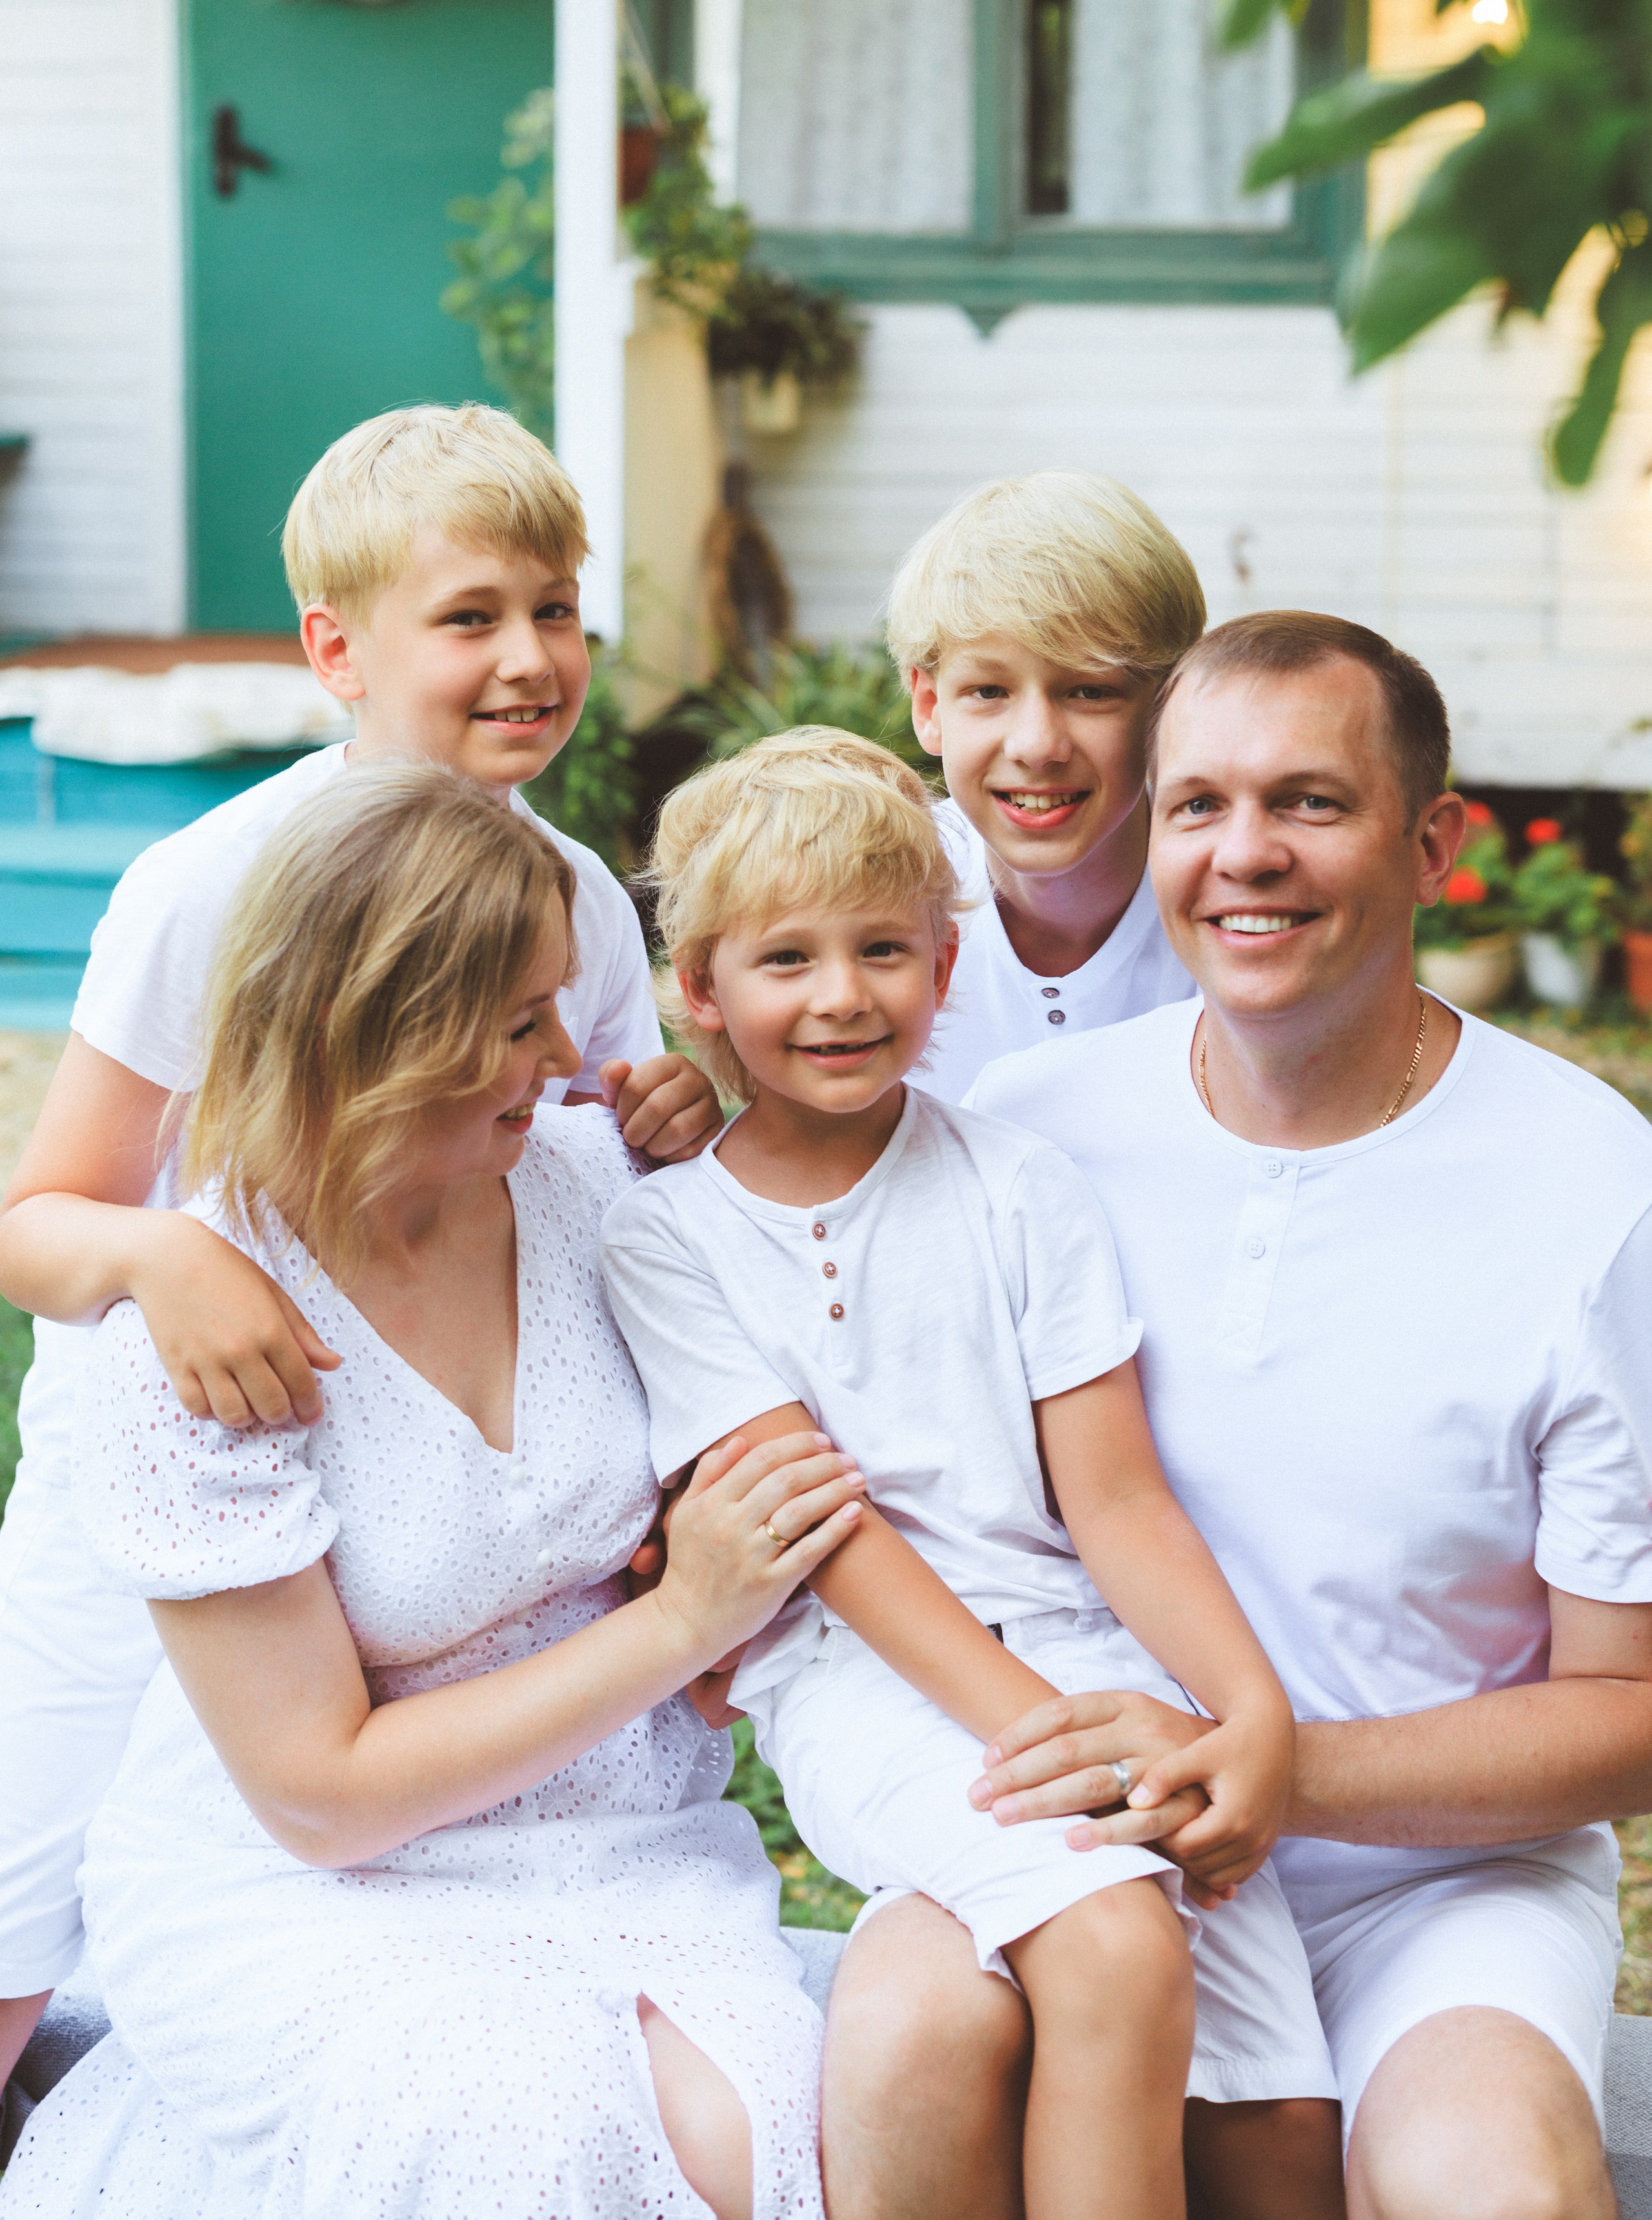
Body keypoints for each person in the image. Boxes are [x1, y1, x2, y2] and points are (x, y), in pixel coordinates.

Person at [0, 762, 860, 2220]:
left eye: (556, 1002)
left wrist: (707, 1590)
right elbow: (321, 1799)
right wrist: (678, 1623)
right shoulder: (205, 1333)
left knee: (772, 2127)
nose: (567, 1051)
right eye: (518, 1022)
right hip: (309, 1885)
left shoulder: (598, 1184)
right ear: (381, 1032)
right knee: (516, 2134)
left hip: (625, 1840)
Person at [0, 403, 721, 2088]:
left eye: (556, 608)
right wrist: (166, 1259)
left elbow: (579, 1163)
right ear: (337, 649)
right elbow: (37, 1219)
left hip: (411, 1473)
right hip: (166, 1463)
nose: (530, 655)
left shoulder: (576, 900)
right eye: (471, 615)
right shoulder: (212, 885)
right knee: (17, 1901)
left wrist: (671, 1124)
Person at [950, 612, 1652, 2218]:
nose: (1242, 854)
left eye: (1308, 802)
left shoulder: (1597, 1192)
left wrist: (1279, 1772)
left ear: (1432, 845)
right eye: (1197, 804)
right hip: (1084, 1846)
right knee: (903, 2051)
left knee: (1493, 2184)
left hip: (1440, 1889)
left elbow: (1627, 1706)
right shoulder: (1026, 1132)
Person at [600, 729, 1343, 2220]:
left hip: (1077, 1646)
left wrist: (1241, 1713)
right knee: (1117, 1940)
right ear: (700, 988)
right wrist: (1043, 1736)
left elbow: (1115, 1499)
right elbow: (824, 1531)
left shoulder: (1017, 1183)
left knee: (1271, 2100)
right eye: (786, 957)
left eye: (882, 949)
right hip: (859, 1678)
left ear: (943, 968)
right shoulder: (665, 1236)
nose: (839, 994)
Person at [883, 472, 1203, 1104]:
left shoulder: (1230, 904)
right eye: (989, 691)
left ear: (1169, 705)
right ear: (930, 707)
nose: (1036, 745)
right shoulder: (871, 892)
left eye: (1089, 690)